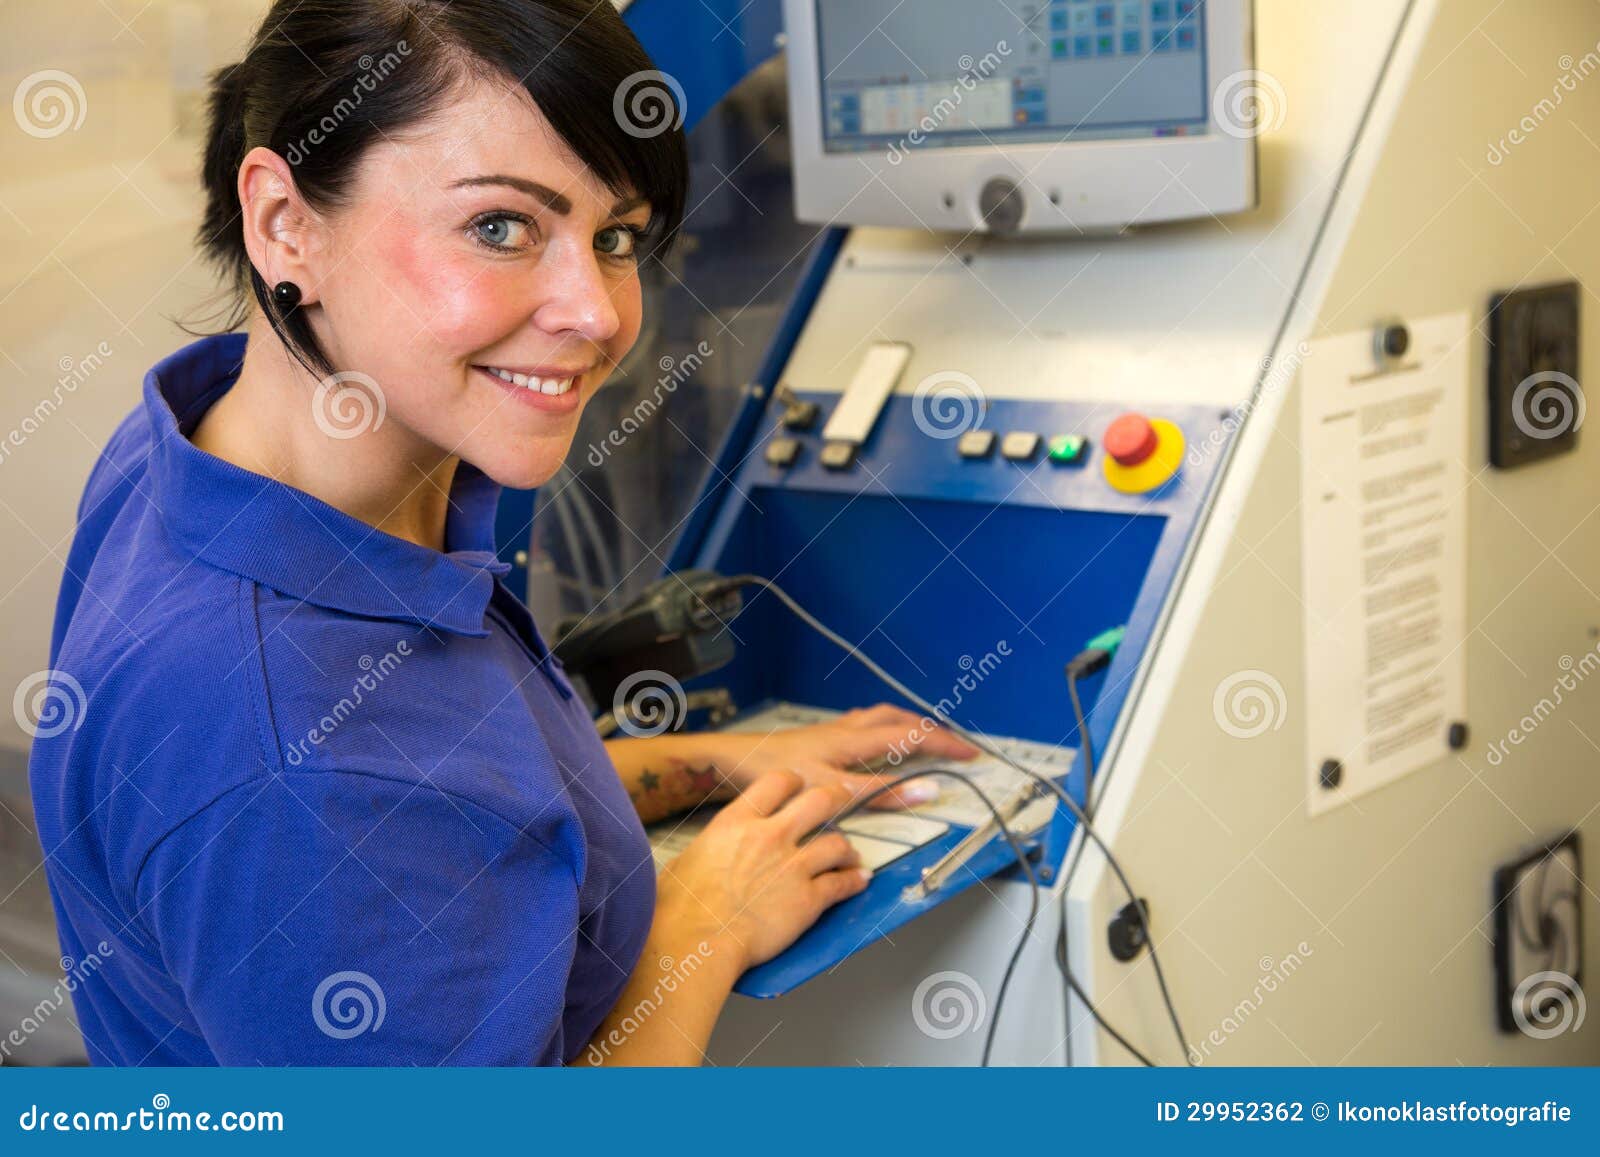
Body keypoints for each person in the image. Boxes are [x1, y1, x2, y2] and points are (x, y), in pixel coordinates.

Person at [27, 0, 975, 1066]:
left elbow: (442, 797)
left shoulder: (201, 453)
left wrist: (715, 760)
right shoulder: (296, 752)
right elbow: (364, 802)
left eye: (614, 237)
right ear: (285, 222)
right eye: (501, 227)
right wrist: (699, 925)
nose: (600, 313)